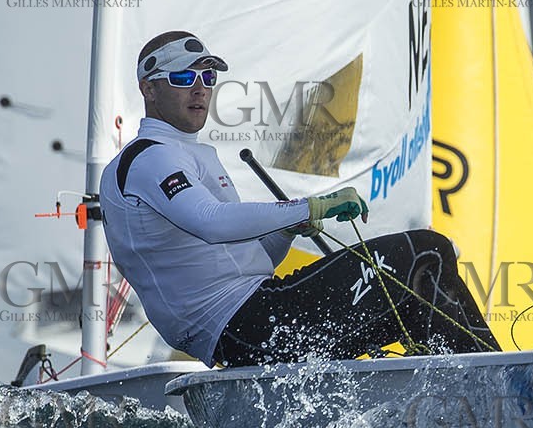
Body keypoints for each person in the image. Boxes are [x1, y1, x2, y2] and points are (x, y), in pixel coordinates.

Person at [99, 31, 496, 368]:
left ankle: (475, 387)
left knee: (420, 288)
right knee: (425, 250)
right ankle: (493, 382)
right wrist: (308, 208)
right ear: (148, 88)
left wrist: (286, 230)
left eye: (207, 76)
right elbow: (210, 222)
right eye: (183, 77)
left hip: (259, 314)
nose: (200, 87)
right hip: (244, 327)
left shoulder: (195, 156)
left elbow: (251, 262)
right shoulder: (147, 158)